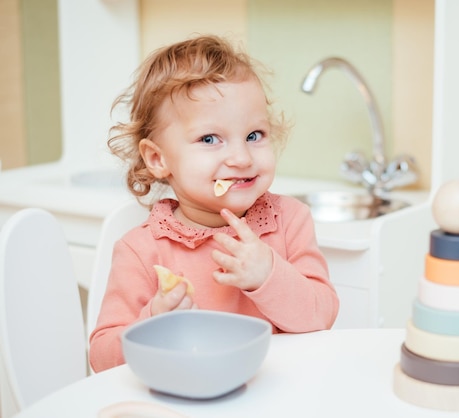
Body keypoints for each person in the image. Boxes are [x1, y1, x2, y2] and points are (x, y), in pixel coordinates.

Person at [89, 35, 339, 372]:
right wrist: (152, 323)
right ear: (158, 158)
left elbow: (322, 317)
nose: (241, 157)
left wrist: (269, 276)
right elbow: (102, 360)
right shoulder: (141, 250)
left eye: (254, 135)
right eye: (210, 139)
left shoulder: (289, 221)